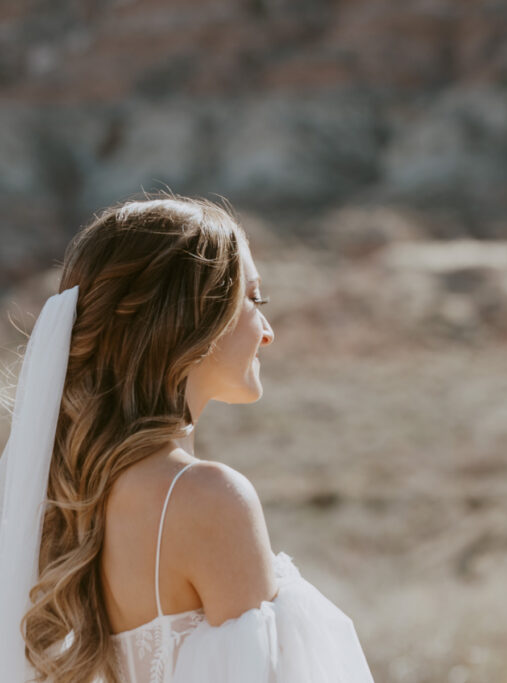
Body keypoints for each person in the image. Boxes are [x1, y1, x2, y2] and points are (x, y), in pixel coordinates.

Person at [0, 196, 374, 682]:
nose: (268, 332)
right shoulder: (207, 497)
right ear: (194, 318)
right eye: (254, 300)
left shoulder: (62, 498)